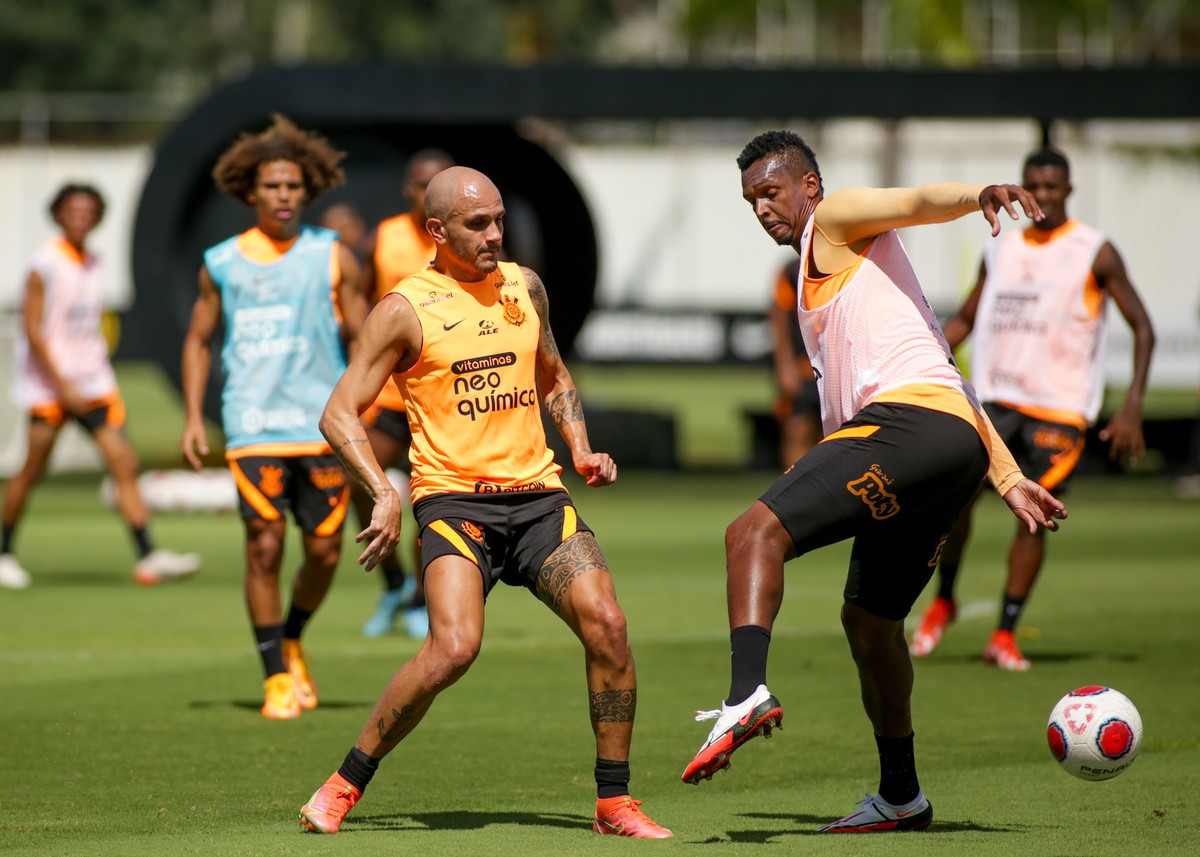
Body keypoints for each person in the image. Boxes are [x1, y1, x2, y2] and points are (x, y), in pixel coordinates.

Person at [680, 131, 1067, 833]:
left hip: (909, 428)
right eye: (751, 199)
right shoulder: (823, 270)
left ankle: (744, 693)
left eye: (771, 192)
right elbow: (948, 368)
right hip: (948, 444)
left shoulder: (832, 222)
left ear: (809, 188)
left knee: (751, 531)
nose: (763, 208)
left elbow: (914, 200)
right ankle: (902, 795)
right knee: (869, 624)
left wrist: (974, 194)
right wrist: (1006, 475)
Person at [298, 166, 671, 839]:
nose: (494, 233)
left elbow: (553, 373)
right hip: (455, 505)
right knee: (453, 649)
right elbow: (338, 412)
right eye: (477, 223)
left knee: (609, 625)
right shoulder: (404, 309)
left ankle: (614, 803)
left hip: (538, 500)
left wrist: (580, 447)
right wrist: (382, 491)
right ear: (435, 229)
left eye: (499, 219)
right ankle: (344, 781)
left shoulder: (525, 287)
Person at [909, 147, 1155, 671]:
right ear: (1021, 189)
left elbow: (1144, 327)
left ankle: (1004, 632)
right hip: (995, 400)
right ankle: (945, 601)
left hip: (1060, 410)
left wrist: (1132, 405)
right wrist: (915, 357)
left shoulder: (1095, 251)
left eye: (1052, 187)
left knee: (1032, 517)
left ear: (1067, 189)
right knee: (956, 503)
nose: (1042, 196)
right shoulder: (999, 251)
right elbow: (967, 319)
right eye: (1034, 186)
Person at [180, 115, 368, 719]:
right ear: (250, 192)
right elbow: (198, 341)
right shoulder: (222, 262)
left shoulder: (333, 255)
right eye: (272, 186)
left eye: (293, 185)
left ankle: (292, 636)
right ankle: (274, 677)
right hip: (254, 424)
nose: (283, 195)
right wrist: (191, 416)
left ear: (307, 189)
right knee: (263, 547)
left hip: (322, 427)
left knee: (325, 552)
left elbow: (368, 340)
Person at [1, 183, 201, 590]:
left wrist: (96, 377)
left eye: (89, 210)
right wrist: (62, 386)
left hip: (92, 385)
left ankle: (149, 556)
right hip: (52, 390)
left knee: (123, 463)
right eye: (73, 210)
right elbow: (33, 332)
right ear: (58, 215)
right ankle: (4, 552)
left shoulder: (94, 261)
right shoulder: (45, 263)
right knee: (33, 470)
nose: (81, 217)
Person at [353, 148, 456, 639]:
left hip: (444, 401)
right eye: (420, 183)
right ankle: (392, 583)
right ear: (408, 189)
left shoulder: (464, 238)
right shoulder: (384, 236)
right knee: (355, 476)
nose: (426, 190)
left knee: (434, 501)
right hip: (392, 398)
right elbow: (356, 296)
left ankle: (419, 598)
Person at [768, 258, 822, 466]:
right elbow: (779, 312)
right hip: (803, 368)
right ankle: (795, 493)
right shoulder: (795, 269)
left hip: (837, 370)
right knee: (796, 429)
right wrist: (785, 366)